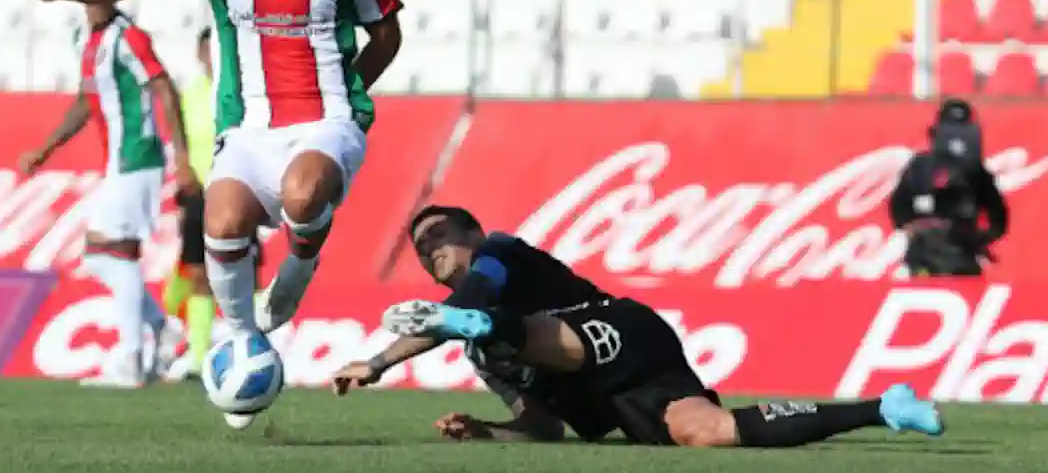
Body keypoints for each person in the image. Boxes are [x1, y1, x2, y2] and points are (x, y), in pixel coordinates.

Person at [33, 0, 404, 424]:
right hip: (249, 127)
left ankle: (300, 265)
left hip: (326, 118)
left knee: (305, 191)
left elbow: (387, 34)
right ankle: (243, 343)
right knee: (223, 223)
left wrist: (350, 93)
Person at [333, 206, 945, 447]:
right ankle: (884, 408)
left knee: (492, 323)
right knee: (710, 432)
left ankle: (470, 323)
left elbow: (483, 294)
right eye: (418, 249)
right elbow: (544, 431)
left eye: (437, 236)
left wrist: (380, 361)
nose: (427, 249)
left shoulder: (499, 251)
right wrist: (487, 433)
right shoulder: (481, 353)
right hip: (619, 390)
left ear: (470, 234)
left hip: (618, 329)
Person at [21, 0, 195, 388]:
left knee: (109, 253)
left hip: (139, 156)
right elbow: (86, 100)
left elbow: (164, 88)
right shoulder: (87, 40)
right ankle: (160, 330)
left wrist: (184, 156)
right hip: (119, 160)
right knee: (103, 256)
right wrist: (46, 149)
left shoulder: (128, 37)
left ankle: (133, 359)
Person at [161, 26, 263, 381]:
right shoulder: (189, 94)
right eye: (207, 52)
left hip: (236, 192)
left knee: (247, 274)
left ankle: (257, 349)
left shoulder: (245, 96)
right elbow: (178, 142)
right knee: (199, 274)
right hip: (200, 194)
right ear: (199, 54)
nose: (211, 59)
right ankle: (198, 355)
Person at [890, 99, 1008, 276]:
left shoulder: (920, 166)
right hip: (947, 257)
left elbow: (898, 208)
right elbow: (998, 218)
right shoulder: (972, 170)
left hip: (941, 256)